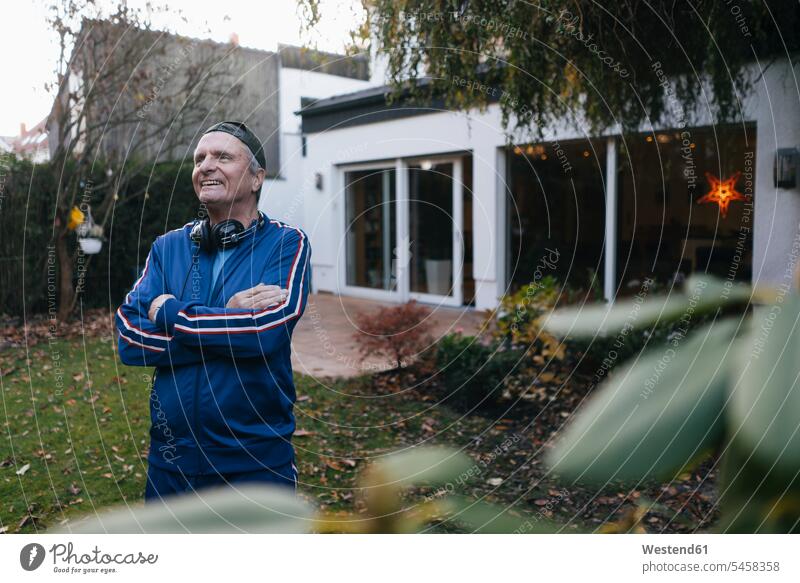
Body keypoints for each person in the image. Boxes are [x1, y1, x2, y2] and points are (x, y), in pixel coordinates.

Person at [115, 121, 311, 501]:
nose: (205, 165)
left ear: (256, 178)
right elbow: (128, 338)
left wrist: (169, 313)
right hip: (171, 462)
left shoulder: (287, 244)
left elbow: (263, 333)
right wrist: (226, 315)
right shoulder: (167, 247)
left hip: (255, 463)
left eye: (223, 156)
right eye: (199, 158)